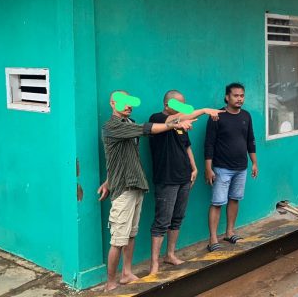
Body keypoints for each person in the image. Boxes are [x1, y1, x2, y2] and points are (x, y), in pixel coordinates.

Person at [96, 90, 217, 291]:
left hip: (137, 185)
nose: (128, 106)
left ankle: (126, 273)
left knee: (131, 234)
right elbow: (148, 129)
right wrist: (174, 123)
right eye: (123, 102)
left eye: (130, 102)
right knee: (118, 239)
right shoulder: (112, 126)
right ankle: (110, 283)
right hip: (124, 189)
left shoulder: (128, 123)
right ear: (112, 103)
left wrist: (108, 179)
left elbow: (119, 156)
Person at [147, 90, 222, 275]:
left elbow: (186, 145)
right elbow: (175, 120)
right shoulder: (158, 118)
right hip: (166, 178)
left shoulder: (181, 124)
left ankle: (170, 255)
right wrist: (204, 110)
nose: (182, 108)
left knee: (177, 218)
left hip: (184, 176)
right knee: (161, 221)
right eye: (178, 104)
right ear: (166, 105)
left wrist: (194, 167)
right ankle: (154, 263)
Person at [204, 83, 258, 251]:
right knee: (218, 202)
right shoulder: (216, 116)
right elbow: (209, 144)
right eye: (235, 95)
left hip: (241, 168)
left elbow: (250, 140)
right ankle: (213, 239)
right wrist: (208, 168)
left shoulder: (246, 116)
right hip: (221, 168)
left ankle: (229, 232)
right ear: (227, 97)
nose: (239, 98)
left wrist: (254, 162)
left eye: (242, 95)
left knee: (235, 199)